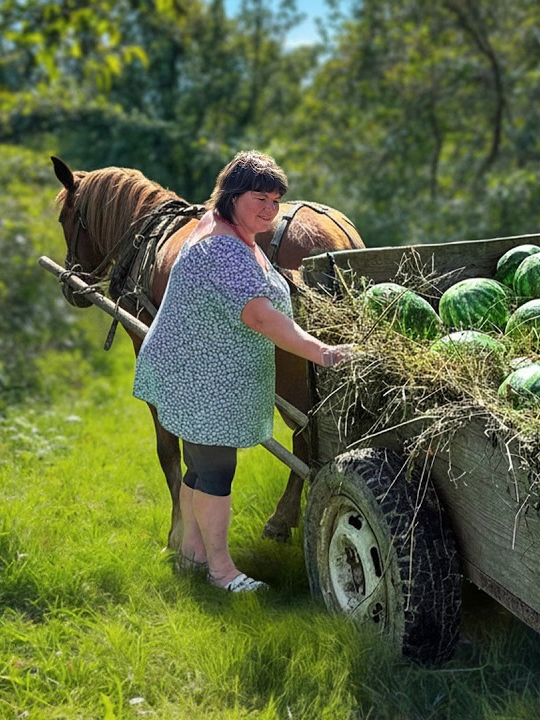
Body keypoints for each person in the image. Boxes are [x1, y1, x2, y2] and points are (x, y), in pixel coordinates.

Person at [133, 150, 355, 593]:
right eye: (260, 197)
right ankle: (221, 571)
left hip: (191, 367)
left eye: (276, 201)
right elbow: (259, 317)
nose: (270, 210)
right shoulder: (222, 248)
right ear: (232, 194)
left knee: (198, 468)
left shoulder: (224, 226)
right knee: (215, 471)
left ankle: (193, 554)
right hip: (202, 378)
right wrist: (324, 352)